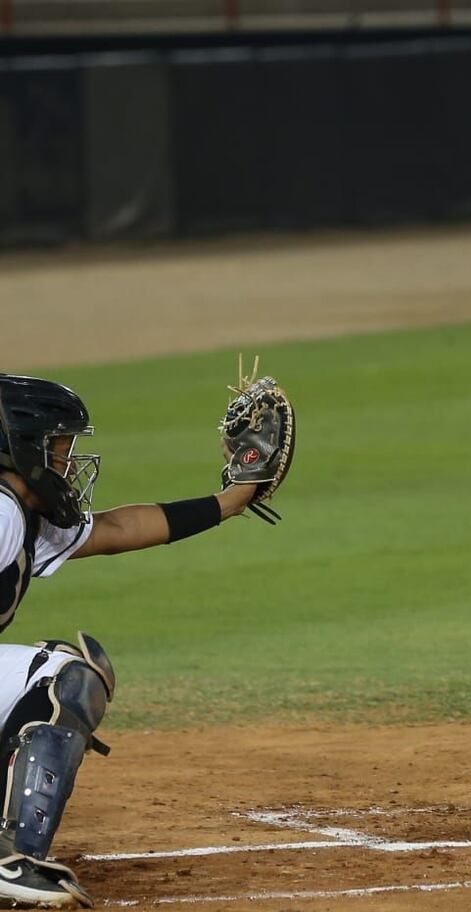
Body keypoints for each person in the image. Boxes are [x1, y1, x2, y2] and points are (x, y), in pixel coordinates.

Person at [0, 373, 257, 907]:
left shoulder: (20, 512)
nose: (68, 464)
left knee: (61, 678)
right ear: (19, 447)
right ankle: (9, 858)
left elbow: (115, 530)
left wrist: (231, 499)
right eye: (60, 447)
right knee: (65, 681)